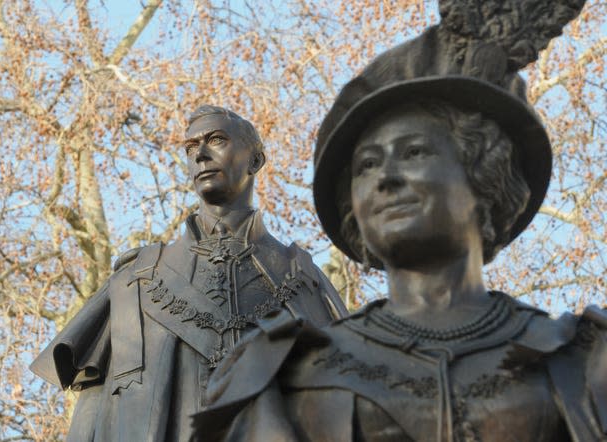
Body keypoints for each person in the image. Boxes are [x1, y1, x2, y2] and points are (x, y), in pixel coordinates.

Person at [192, 18, 607, 442]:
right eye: (366, 165)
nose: (385, 179)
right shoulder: (282, 377)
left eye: (413, 152)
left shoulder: (585, 359)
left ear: (484, 178)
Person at [30, 105, 347, 442]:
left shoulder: (305, 281)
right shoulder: (134, 283)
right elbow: (93, 417)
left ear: (255, 161)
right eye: (191, 147)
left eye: (216, 140)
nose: (201, 155)